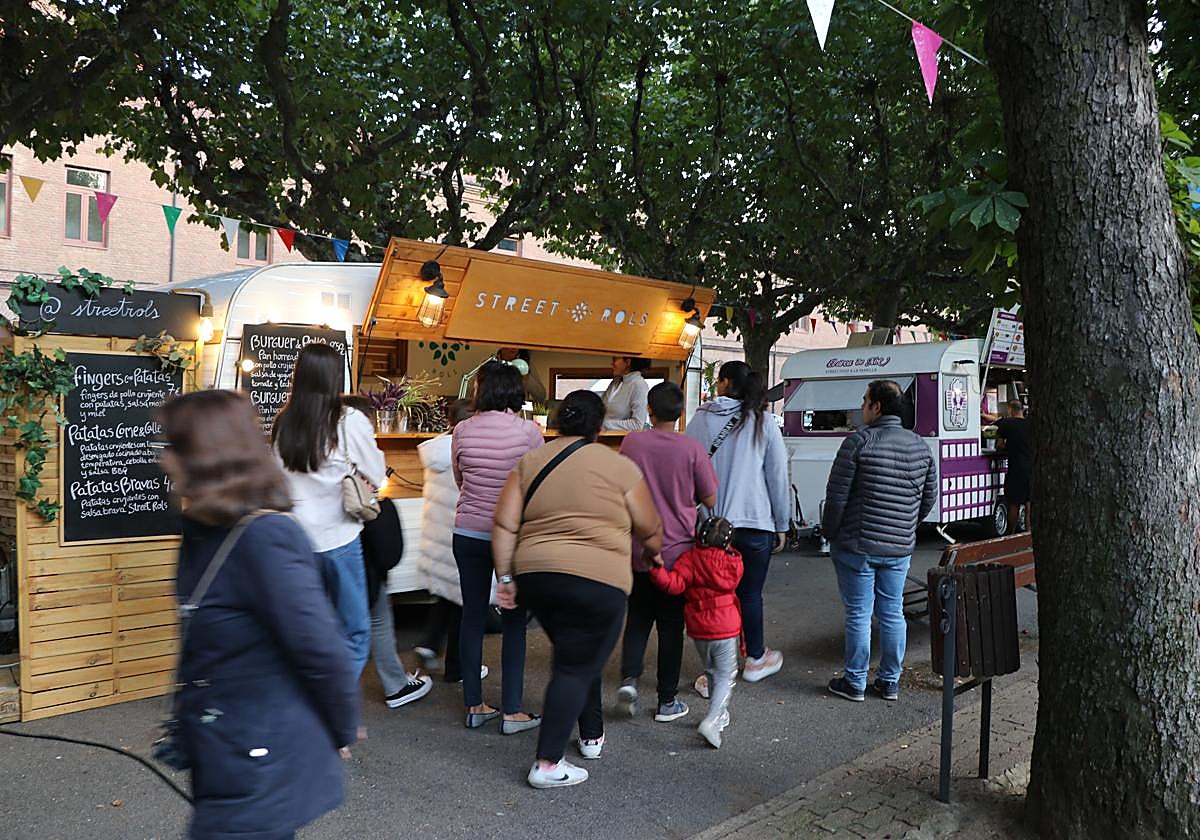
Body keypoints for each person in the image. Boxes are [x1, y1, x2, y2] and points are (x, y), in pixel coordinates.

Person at [158, 390, 358, 840]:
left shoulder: (265, 537)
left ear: (205, 455)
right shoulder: (205, 529)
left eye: (173, 446)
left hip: (258, 761)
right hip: (225, 751)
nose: (164, 459)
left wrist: (341, 728)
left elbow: (322, 649)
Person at [492, 390, 663, 788]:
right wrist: (654, 554)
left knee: (575, 654)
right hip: (598, 581)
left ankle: (591, 735)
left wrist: (505, 578)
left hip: (536, 577)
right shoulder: (617, 465)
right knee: (574, 664)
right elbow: (650, 527)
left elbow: (503, 525)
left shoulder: (529, 462)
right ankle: (548, 763)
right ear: (598, 426)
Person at [273, 343, 386, 679]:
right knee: (353, 632)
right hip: (338, 539)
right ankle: (330, 713)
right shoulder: (348, 419)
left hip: (294, 541)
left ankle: (303, 708)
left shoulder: (284, 421)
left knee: (305, 631)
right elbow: (377, 473)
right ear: (336, 376)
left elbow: (278, 478)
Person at [822, 380, 937, 703]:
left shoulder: (858, 442)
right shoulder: (919, 445)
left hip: (857, 545)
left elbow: (837, 497)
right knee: (892, 612)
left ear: (877, 407)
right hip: (899, 546)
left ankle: (855, 682)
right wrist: (906, 524)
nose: (862, 407)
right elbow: (928, 496)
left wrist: (830, 532)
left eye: (865, 401)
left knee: (859, 613)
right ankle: (889, 681)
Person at [616, 381, 718, 722]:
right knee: (672, 627)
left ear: (649, 409)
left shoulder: (632, 442)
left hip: (638, 548)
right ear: (680, 413)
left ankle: (629, 681)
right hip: (677, 553)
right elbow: (711, 499)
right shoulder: (691, 449)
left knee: (638, 619)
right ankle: (666, 701)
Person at [686, 360, 790, 686]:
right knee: (750, 595)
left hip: (714, 526)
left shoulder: (700, 420)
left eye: (719, 379)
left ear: (727, 382)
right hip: (757, 522)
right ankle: (756, 659)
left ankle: (715, 671)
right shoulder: (764, 422)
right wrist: (782, 523)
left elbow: (690, 468)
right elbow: (777, 476)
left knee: (715, 598)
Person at [452, 361, 543, 732]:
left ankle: (474, 705)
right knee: (514, 621)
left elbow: (460, 477)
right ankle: (511, 711)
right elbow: (536, 483)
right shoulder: (529, 432)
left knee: (471, 615)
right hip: (512, 536)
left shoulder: (461, 429)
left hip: (468, 532)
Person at [340, 394, 433, 709]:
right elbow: (374, 474)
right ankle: (393, 685)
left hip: (328, 543)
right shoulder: (357, 445)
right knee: (375, 615)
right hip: (356, 541)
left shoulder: (318, 443)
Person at [649, 515, 743, 749]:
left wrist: (656, 568)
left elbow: (673, 585)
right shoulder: (733, 562)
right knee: (726, 675)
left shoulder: (689, 559)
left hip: (699, 629)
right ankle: (712, 719)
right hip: (726, 626)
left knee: (712, 671)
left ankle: (719, 714)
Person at [413, 398, 490, 683]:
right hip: (463, 532)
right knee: (466, 601)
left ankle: (429, 643)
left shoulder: (436, 450)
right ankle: (458, 667)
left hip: (437, 535)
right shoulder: (470, 451)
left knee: (448, 594)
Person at [995, 399, 1031, 533]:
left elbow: (999, 445)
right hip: (1031, 469)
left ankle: (1011, 534)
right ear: (1022, 409)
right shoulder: (1030, 424)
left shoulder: (1007, 423)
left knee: (1013, 504)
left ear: (1010, 410)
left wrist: (1007, 446)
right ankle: (1028, 534)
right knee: (1029, 504)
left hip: (1015, 468)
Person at [602, 356, 651, 431]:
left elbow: (637, 425)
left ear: (628, 362)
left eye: (615, 359)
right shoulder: (615, 382)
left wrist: (604, 424)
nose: (612, 363)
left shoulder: (639, 385)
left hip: (621, 441)